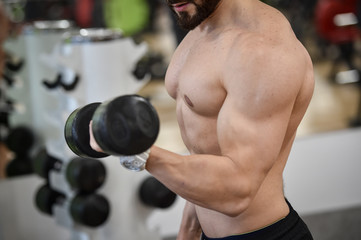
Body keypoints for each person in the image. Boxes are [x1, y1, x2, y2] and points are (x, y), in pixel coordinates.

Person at [91, 0, 315, 239]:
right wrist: (188, 232)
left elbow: (239, 187)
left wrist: (137, 152)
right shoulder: (202, 25)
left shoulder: (262, 52)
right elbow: (209, 151)